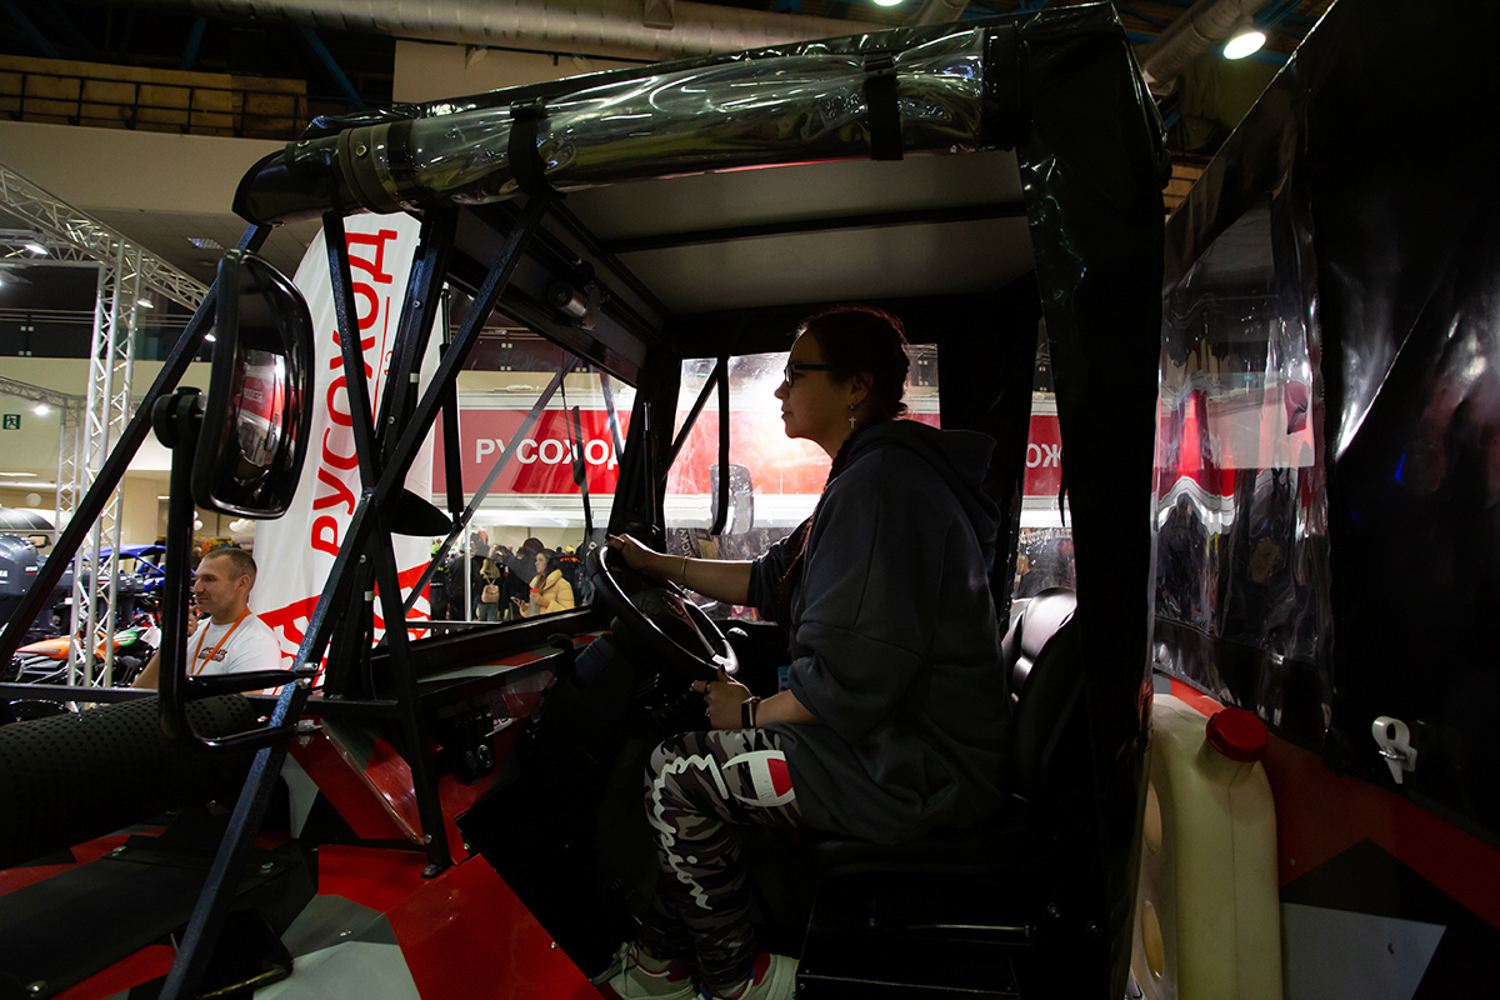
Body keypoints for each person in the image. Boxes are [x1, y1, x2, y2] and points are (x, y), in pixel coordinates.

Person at [594, 305, 1009, 1000]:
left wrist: (750, 714)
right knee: (696, 758)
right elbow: (769, 579)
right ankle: (661, 957)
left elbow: (845, 679)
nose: (780, 391)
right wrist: (657, 565)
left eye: (797, 375)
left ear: (856, 387)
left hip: (914, 769)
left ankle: (736, 982)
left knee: (676, 774)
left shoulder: (882, 486)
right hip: (890, 744)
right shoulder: (867, 475)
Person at [132, 547, 282, 689]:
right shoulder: (191, 631)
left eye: (209, 579)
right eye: (197, 579)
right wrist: (170, 641)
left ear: (242, 583)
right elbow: (140, 694)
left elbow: (241, 705)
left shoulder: (257, 641)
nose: (197, 589)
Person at [515, 548, 576, 617]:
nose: (536, 563)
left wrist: (546, 603)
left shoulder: (563, 585)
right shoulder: (537, 583)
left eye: (540, 560)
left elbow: (568, 614)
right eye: (536, 560)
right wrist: (525, 607)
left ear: (549, 563)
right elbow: (537, 610)